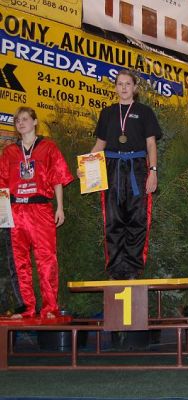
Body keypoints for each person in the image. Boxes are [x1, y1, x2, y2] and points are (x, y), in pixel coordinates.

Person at [87, 69, 162, 280]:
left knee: (137, 219)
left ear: (135, 87)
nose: (124, 88)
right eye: (120, 84)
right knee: (113, 219)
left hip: (137, 168)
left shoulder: (145, 112)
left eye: (128, 84)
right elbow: (100, 144)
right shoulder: (107, 113)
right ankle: (115, 270)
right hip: (112, 168)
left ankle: (132, 270)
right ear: (115, 88)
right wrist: (86, 165)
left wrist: (153, 171)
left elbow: (151, 144)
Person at [0, 106, 74, 319]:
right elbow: (2, 185)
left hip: (41, 209)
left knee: (47, 259)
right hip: (16, 210)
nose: (21, 123)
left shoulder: (48, 147)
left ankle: (50, 307)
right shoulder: (9, 152)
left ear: (34, 122)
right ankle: (27, 308)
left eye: (25, 119)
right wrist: (3, 214)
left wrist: (60, 207)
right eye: (17, 120)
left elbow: (57, 178)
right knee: (19, 261)